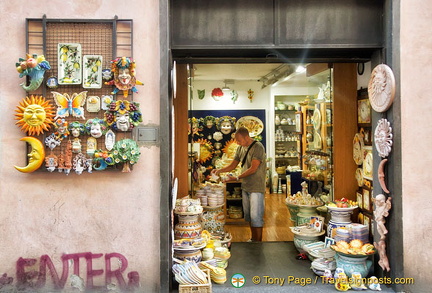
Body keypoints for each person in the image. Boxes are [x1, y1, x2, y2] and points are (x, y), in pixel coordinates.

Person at [211, 127, 266, 242]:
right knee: (250, 216)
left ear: (246, 137)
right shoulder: (240, 148)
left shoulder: (258, 147)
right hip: (246, 186)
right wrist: (219, 171)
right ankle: (253, 239)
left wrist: (237, 177)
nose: (237, 142)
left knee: (256, 217)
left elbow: (253, 168)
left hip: (256, 186)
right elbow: (233, 165)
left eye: (239, 140)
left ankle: (259, 243)